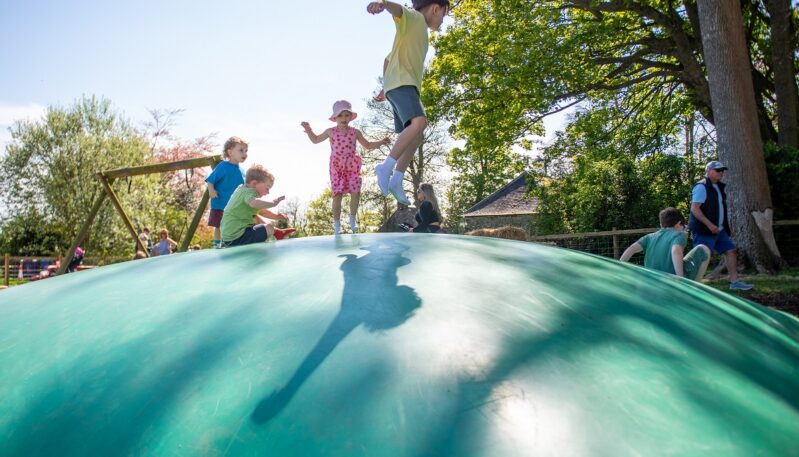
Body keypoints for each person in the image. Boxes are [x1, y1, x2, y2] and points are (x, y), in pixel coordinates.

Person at [368, 0, 449, 206]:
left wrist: (385, 86)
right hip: (403, 83)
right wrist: (383, 3)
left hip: (400, 85)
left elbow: (388, 59)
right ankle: (385, 167)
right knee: (419, 122)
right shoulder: (415, 19)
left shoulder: (417, 33)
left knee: (417, 134)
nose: (442, 20)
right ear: (435, 8)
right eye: (443, 14)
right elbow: (399, 11)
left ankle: (397, 178)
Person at [301, 101, 390, 234]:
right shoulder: (330, 132)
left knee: (356, 192)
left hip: (352, 165)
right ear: (335, 118)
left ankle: (352, 220)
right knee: (338, 194)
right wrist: (309, 130)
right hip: (337, 166)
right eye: (340, 116)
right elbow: (315, 140)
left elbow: (368, 145)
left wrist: (381, 142)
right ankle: (337, 226)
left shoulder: (355, 132)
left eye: (346, 115)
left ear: (350, 117)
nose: (343, 118)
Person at [688, 161, 754, 290]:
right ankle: (691, 286)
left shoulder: (717, 186)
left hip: (719, 230)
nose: (721, 173)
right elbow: (695, 209)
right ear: (709, 171)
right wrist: (709, 225)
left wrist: (720, 226)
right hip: (705, 230)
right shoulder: (701, 187)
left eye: (722, 170)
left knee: (730, 251)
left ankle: (735, 282)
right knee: (702, 257)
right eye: (718, 170)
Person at [620, 208, 711, 281]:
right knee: (704, 249)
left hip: (651, 281)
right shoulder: (679, 235)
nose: (684, 229)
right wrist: (681, 279)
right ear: (679, 223)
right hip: (672, 281)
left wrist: (619, 266)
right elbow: (676, 250)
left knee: (681, 260)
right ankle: (694, 289)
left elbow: (631, 249)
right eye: (683, 227)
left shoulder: (649, 237)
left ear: (661, 224)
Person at [221, 165, 296, 247]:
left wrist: (277, 216)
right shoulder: (248, 193)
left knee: (263, 225)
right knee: (267, 228)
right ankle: (278, 233)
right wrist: (273, 203)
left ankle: (278, 233)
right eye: (267, 188)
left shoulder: (242, 190)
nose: (268, 192)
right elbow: (254, 203)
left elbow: (262, 211)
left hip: (230, 238)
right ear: (254, 183)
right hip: (237, 238)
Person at [205, 137, 248, 248]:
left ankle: (231, 243)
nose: (245, 153)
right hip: (220, 203)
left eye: (246, 151)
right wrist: (211, 190)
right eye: (241, 150)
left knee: (233, 225)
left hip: (234, 206)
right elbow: (210, 180)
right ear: (230, 152)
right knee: (218, 225)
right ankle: (217, 244)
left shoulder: (242, 171)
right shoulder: (223, 166)